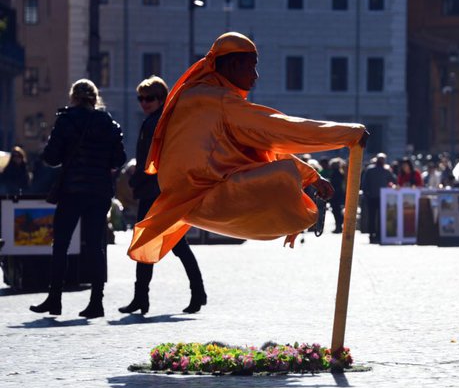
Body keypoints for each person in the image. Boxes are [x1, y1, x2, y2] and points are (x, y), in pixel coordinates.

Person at [127, 32, 367, 263]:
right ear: (232, 66)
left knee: (274, 165)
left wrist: (313, 178)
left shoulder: (194, 94)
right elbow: (278, 129)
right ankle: (298, 219)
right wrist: (348, 134)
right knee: (284, 174)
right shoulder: (221, 101)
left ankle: (295, 219)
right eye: (250, 66)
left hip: (182, 200)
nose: (256, 75)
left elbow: (264, 146)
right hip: (207, 196)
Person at [30, 79, 126, 318]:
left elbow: (51, 158)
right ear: (95, 99)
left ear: (73, 97)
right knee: (95, 246)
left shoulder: (66, 120)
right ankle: (96, 302)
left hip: (72, 190)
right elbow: (118, 159)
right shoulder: (108, 123)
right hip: (99, 192)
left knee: (61, 244)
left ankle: (55, 299)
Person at [120, 76, 207, 314]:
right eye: (141, 98)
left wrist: (138, 178)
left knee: (151, 244)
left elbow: (154, 160)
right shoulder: (162, 121)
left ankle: (144, 298)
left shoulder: (156, 124)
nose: (144, 103)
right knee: (172, 244)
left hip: (155, 191)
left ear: (161, 99)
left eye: (149, 98)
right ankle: (194, 293)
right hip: (162, 190)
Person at [361, 152, 396, 243]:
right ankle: (374, 234)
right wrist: (366, 193)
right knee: (374, 217)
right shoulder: (372, 170)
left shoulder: (384, 170)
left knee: (377, 217)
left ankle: (376, 234)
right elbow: (365, 183)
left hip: (379, 197)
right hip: (374, 196)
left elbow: (393, 180)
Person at [328, 157, 346, 233]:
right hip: (340, 195)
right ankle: (339, 226)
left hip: (336, 195)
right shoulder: (341, 174)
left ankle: (338, 226)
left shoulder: (335, 174)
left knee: (336, 211)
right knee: (338, 211)